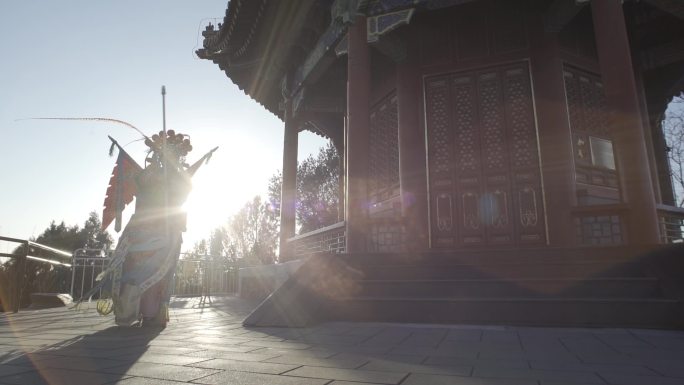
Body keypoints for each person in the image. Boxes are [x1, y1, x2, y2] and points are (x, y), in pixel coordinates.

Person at [81, 130, 216, 327]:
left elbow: (182, 194)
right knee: (143, 270)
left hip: (158, 230)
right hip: (150, 231)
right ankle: (139, 312)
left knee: (152, 272)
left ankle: (144, 312)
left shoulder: (166, 177)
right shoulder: (152, 176)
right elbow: (177, 192)